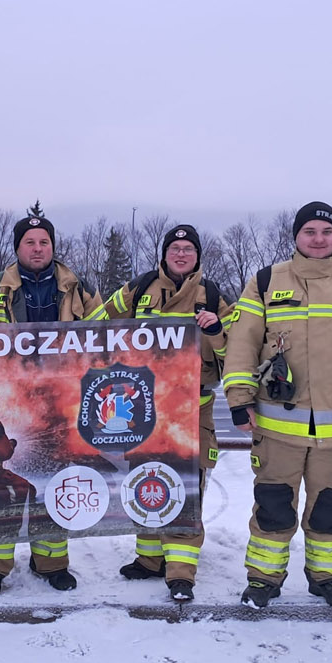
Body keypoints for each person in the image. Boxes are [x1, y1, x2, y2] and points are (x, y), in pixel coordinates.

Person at [223, 201, 332, 609]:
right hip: (278, 426)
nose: (318, 239)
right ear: (296, 237)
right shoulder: (267, 281)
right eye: (310, 231)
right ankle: (263, 580)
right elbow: (242, 343)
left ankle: (328, 578)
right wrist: (239, 399)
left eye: (326, 231)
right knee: (273, 507)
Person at [0, 214, 106, 595]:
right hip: (9, 404)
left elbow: (106, 339)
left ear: (53, 247)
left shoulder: (79, 289)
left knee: (54, 484)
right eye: (30, 242)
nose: (38, 248)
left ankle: (51, 563)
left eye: (44, 242)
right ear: (17, 247)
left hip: (61, 404)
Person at [101, 223, 233, 602]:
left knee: (188, 488)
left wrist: (217, 329)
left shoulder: (213, 297)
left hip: (194, 411)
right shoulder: (138, 290)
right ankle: (148, 559)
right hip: (145, 408)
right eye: (174, 248)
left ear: (197, 257)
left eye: (188, 249)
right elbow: (99, 326)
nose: (180, 254)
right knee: (144, 479)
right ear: (163, 254)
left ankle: (180, 572)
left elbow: (236, 353)